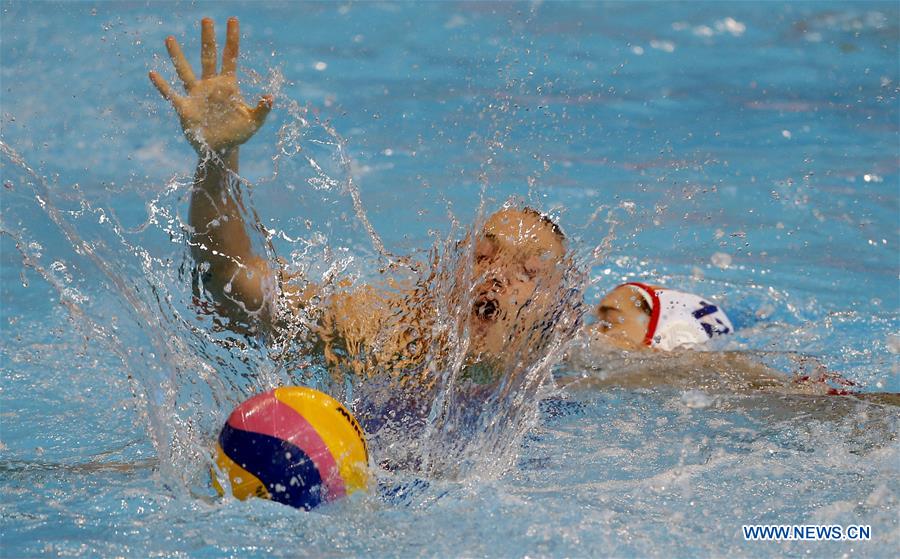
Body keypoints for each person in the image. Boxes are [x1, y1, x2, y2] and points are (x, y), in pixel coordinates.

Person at [149, 17, 576, 390]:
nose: (497, 275)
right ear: (447, 274)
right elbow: (229, 279)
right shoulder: (380, 338)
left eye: (529, 272)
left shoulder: (571, 373)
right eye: (482, 255)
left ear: (554, 318)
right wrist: (217, 157)